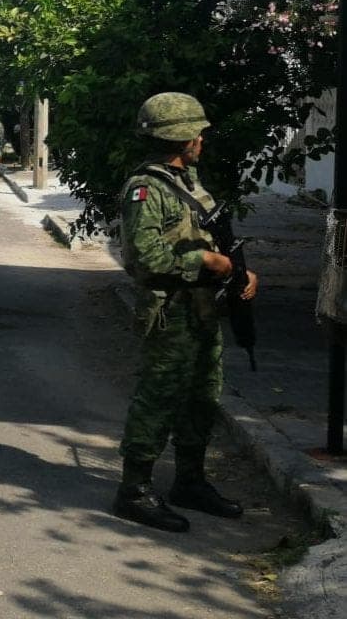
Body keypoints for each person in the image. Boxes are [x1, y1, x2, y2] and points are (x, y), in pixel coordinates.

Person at [113, 92, 258, 533]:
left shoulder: (192, 182)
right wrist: (204, 264)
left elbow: (211, 239)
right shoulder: (145, 189)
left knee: (202, 398)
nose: (202, 140)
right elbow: (144, 260)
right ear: (181, 138)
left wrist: (240, 274)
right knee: (158, 400)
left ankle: (189, 482)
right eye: (197, 133)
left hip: (203, 311)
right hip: (170, 313)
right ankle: (133, 491)